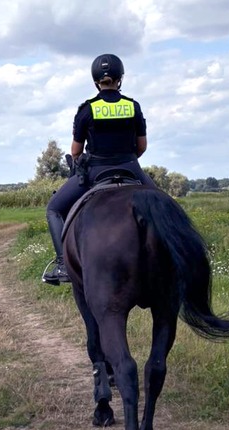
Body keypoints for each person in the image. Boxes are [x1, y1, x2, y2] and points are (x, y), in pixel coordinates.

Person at [42, 54, 157, 285]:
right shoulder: (133, 106)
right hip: (131, 168)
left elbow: (75, 151)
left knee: (54, 209)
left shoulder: (87, 109)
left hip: (95, 171)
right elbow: (142, 146)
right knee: (166, 206)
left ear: (96, 81)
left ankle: (63, 265)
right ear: (120, 79)